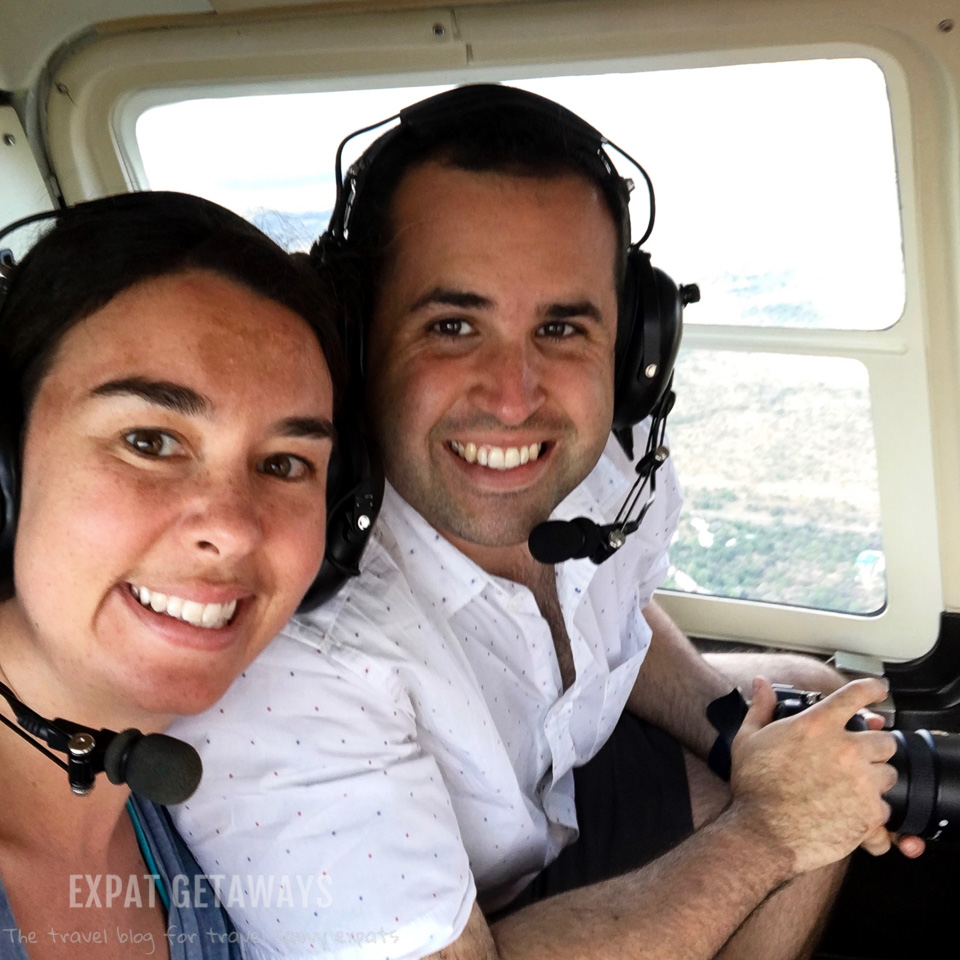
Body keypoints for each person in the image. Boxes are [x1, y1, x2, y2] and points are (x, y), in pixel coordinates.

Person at [171, 86, 905, 960]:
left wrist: (742, 740)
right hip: (451, 925)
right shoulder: (295, 658)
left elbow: (614, 610)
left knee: (821, 716)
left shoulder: (604, 466)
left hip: (553, 813)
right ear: (358, 339)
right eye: (452, 324)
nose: (514, 400)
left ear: (633, 344)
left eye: (560, 327)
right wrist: (770, 828)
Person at [0, 191, 344, 959]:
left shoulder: (204, 837)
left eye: (285, 464)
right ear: (6, 476)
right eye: (150, 441)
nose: (232, 527)